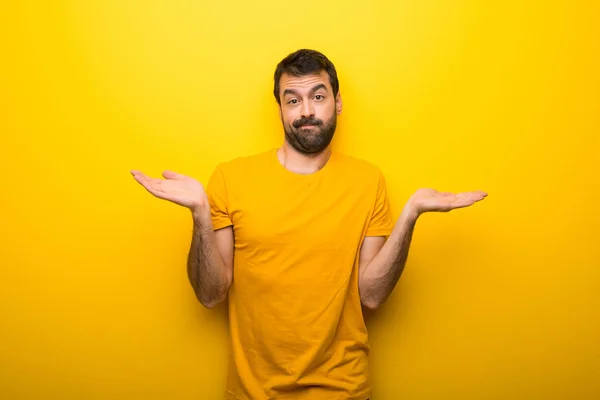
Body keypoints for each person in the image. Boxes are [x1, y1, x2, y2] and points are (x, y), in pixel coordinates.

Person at [131, 49, 487, 400]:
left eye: (318, 96)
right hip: (253, 392)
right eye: (293, 100)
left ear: (338, 102)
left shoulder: (368, 181)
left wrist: (410, 215)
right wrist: (199, 214)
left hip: (342, 390)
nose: (307, 111)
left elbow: (373, 295)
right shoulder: (230, 179)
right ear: (281, 110)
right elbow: (211, 295)